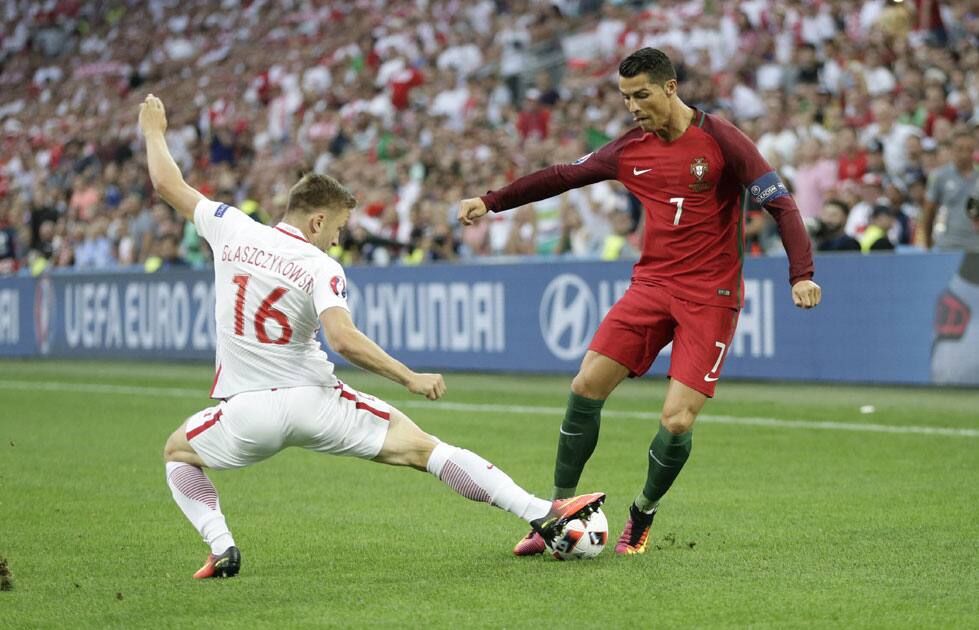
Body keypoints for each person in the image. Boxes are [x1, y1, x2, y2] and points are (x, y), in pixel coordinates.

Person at [138, 95, 604, 579]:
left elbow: (166, 182)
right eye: (337, 227)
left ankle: (221, 547)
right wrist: (409, 377)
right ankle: (542, 513)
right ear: (317, 221)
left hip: (245, 412)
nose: (338, 238)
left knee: (177, 452)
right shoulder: (321, 265)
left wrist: (154, 131)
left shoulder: (230, 227)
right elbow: (342, 338)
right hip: (313, 403)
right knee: (426, 450)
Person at [458, 48, 821, 557]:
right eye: (626, 97)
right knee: (585, 385)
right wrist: (492, 200)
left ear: (670, 88)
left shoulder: (721, 140)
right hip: (650, 287)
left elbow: (780, 204)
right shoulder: (628, 149)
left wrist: (800, 274)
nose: (632, 106)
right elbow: (561, 176)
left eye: (642, 95)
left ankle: (642, 514)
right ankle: (554, 516)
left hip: (710, 298)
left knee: (676, 420)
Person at [921, 134, 979, 252]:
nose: (964, 154)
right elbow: (928, 213)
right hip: (947, 244)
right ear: (952, 150)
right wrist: (928, 244)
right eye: (960, 149)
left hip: (975, 245)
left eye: (969, 149)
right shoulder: (939, 176)